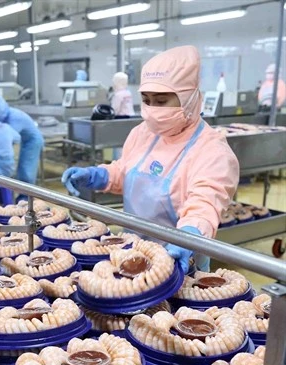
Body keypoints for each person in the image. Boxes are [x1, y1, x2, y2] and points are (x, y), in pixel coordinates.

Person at [62, 45, 239, 273]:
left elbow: (205, 205)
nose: (152, 110)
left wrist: (188, 237)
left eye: (162, 100)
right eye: (146, 100)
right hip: (132, 253)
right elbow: (125, 170)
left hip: (178, 262)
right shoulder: (142, 133)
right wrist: (99, 175)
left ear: (188, 98)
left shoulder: (212, 151)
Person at [0, 96, 44, 185]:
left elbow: (10, 138)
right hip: (25, 140)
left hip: (33, 141)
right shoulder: (6, 115)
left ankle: (27, 195)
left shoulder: (15, 118)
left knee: (27, 169)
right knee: (22, 167)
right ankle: (23, 193)